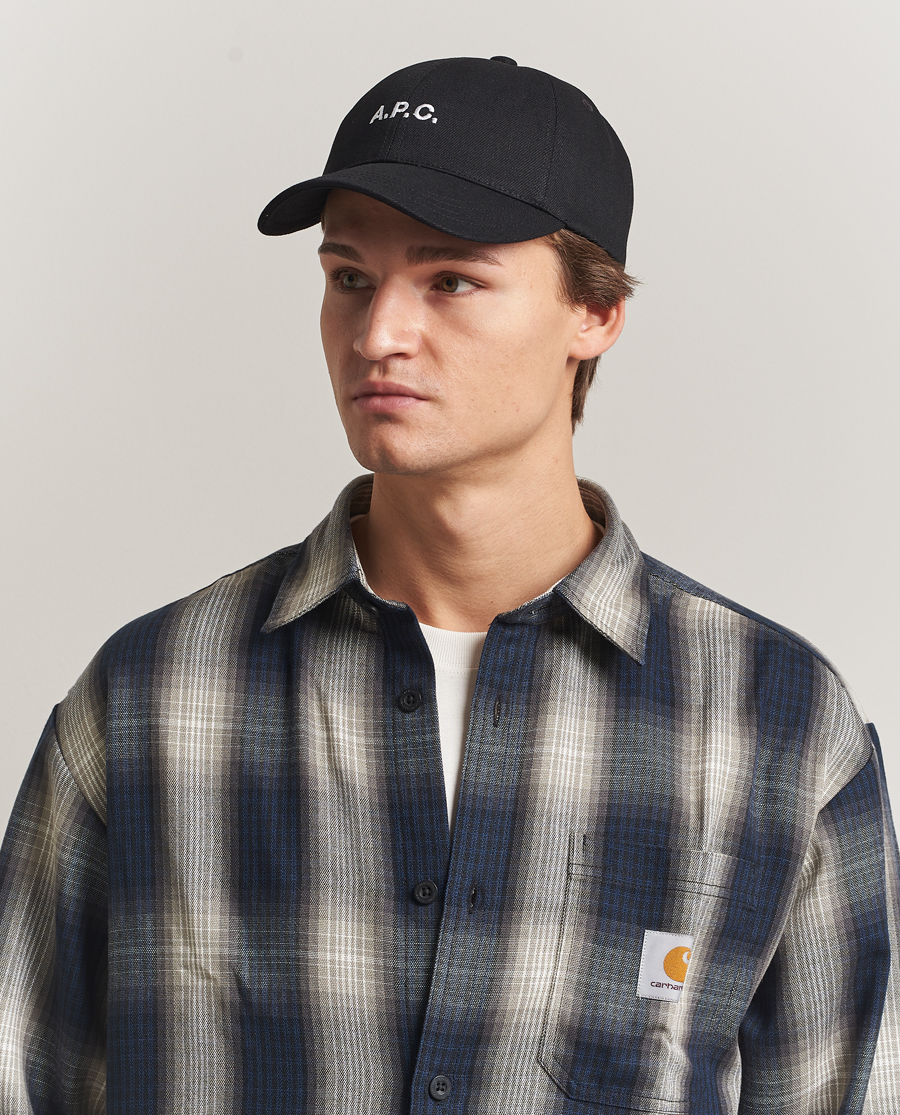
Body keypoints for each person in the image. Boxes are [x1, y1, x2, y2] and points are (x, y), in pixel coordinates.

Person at [0, 55, 897, 1115]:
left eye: (451, 281)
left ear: (595, 311)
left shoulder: (777, 722)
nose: (378, 334)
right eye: (349, 278)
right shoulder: (151, 699)